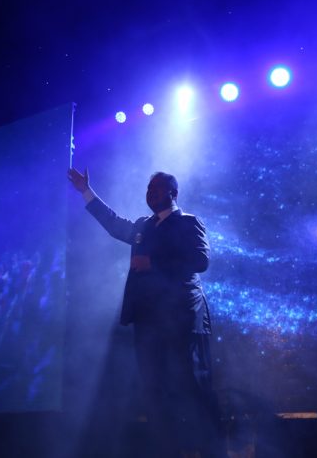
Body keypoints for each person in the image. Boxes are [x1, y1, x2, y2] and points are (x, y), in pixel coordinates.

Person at [68, 168, 224, 458]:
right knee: (155, 391)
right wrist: (86, 192)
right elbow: (115, 225)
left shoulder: (188, 222)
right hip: (149, 321)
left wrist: (154, 263)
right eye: (148, 189)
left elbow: (200, 260)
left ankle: (214, 451)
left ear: (173, 193)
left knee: (193, 386)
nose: (150, 194)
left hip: (182, 319)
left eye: (156, 189)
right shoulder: (144, 226)